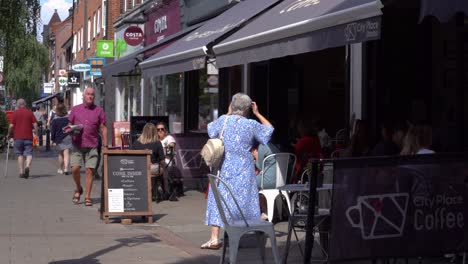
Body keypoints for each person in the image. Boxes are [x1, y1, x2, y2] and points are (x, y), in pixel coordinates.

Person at [202, 93, 273, 250]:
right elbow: (269, 130)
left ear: (232, 106)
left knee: (219, 199)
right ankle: (246, 233)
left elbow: (210, 130)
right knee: (244, 200)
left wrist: (227, 113)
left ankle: (214, 238)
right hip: (244, 171)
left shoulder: (223, 120)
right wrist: (257, 113)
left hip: (222, 170)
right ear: (248, 108)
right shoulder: (251, 124)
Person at [68, 87, 108, 206]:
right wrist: (71, 130)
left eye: (92, 95)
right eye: (88, 94)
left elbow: (103, 128)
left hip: (92, 145)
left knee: (89, 171)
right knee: (75, 169)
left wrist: (105, 145)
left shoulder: (99, 111)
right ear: (83, 96)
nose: (90, 96)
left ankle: (87, 196)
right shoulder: (75, 109)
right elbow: (69, 124)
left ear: (94, 97)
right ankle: (79, 188)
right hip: (77, 144)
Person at [132, 123, 166, 201]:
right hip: (153, 169)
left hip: (138, 169)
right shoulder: (157, 143)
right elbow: (162, 160)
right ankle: (162, 190)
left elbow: (131, 157)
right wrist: (164, 167)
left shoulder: (136, 143)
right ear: (154, 132)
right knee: (164, 168)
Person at [6, 98, 38, 179]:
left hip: (18, 137)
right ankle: (27, 166)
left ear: (18, 105)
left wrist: (9, 134)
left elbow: (11, 126)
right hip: (28, 137)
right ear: (25, 104)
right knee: (29, 153)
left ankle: (21, 172)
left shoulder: (15, 113)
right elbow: (35, 124)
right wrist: (36, 134)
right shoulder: (30, 112)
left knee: (19, 154)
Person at [50, 103, 72, 175]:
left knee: (61, 154)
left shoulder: (55, 120)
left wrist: (52, 139)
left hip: (59, 138)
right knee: (67, 153)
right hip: (67, 137)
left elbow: (53, 131)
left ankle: (60, 168)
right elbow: (71, 127)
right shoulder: (68, 118)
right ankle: (66, 168)